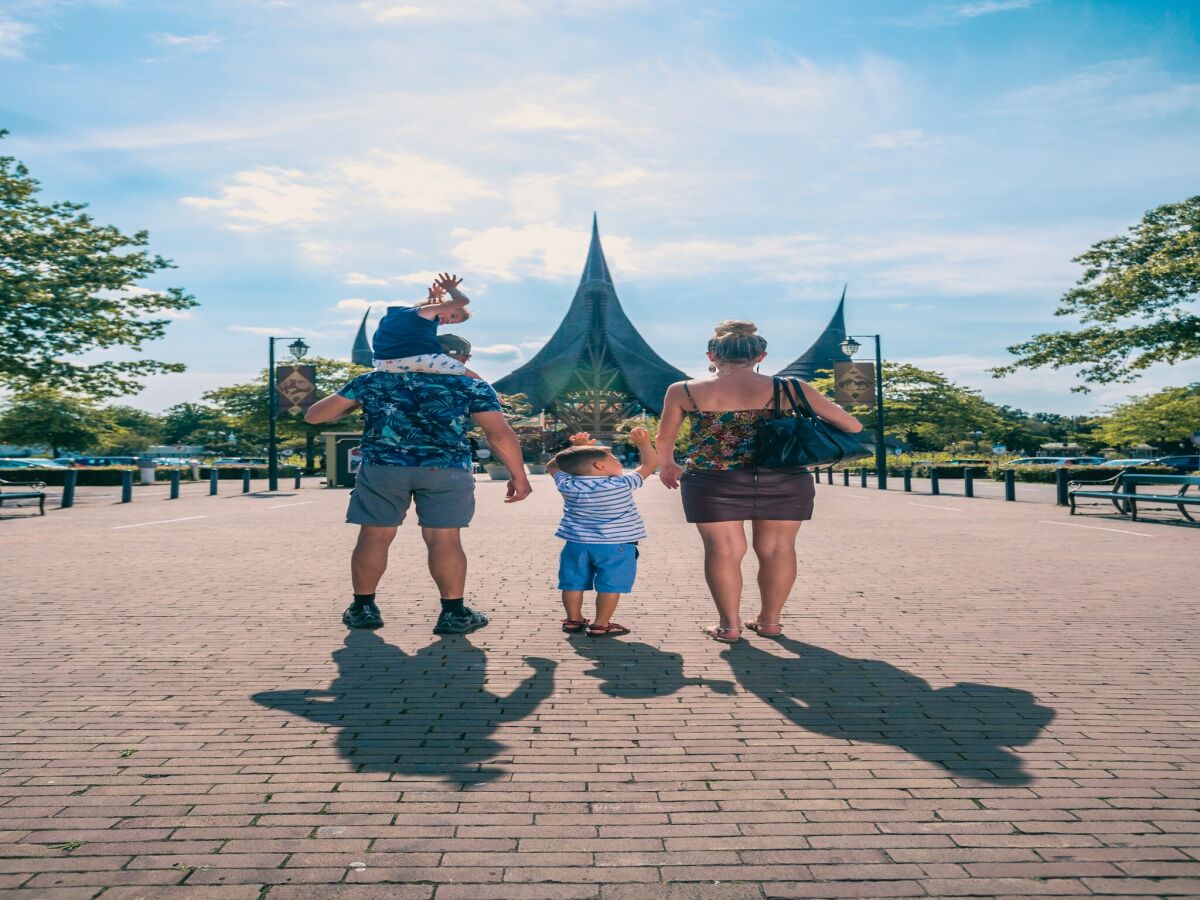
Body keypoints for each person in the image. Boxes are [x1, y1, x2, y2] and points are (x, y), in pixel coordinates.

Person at [655, 320, 862, 644]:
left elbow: (665, 437)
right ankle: (769, 622)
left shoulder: (683, 391)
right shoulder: (791, 388)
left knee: (724, 551)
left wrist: (667, 466)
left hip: (713, 480)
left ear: (712, 354)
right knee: (777, 549)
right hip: (783, 477)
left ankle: (729, 626)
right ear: (761, 355)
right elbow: (852, 426)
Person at [304, 359, 531, 634]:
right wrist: (518, 475)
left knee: (374, 536)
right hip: (445, 469)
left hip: (383, 468)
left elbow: (314, 415)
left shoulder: (373, 380)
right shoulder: (471, 383)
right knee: (444, 539)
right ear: (461, 358)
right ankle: (453, 614)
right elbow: (498, 433)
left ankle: (363, 609)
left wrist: (357, 403)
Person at [547, 428, 658, 637]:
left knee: (572, 582)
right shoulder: (621, 484)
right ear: (600, 465)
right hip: (617, 546)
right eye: (615, 459)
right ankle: (600, 624)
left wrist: (577, 448)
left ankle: (573, 620)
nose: (620, 464)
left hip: (576, 544)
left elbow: (553, 466)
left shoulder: (568, 484)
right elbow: (650, 464)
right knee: (610, 585)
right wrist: (644, 443)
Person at [372, 273, 472, 375]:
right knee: (472, 377)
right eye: (453, 316)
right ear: (445, 306)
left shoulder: (402, 315)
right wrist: (450, 288)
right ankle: (486, 390)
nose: (448, 321)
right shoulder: (427, 313)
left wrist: (432, 298)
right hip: (417, 358)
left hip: (381, 362)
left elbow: (417, 317)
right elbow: (462, 301)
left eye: (450, 323)